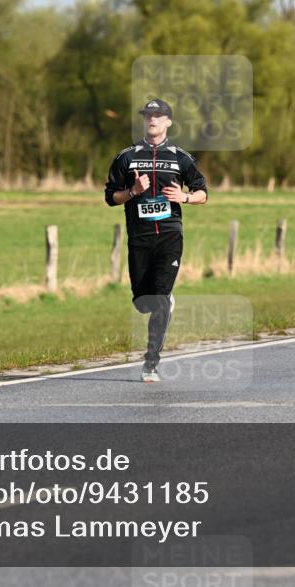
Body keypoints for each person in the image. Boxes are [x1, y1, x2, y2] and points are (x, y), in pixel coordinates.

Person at [104, 99, 208, 382]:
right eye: (148, 115)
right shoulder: (126, 156)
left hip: (170, 236)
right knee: (142, 302)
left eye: (158, 115)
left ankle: (151, 363)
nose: (152, 119)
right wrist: (133, 191)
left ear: (168, 122)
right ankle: (160, 302)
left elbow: (203, 193)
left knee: (160, 300)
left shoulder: (180, 157)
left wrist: (184, 197)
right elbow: (111, 196)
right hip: (139, 237)